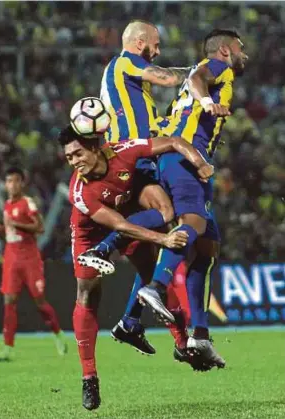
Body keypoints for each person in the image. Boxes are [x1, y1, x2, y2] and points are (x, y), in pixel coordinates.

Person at [57, 123, 213, 410]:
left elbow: (174, 141)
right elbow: (119, 226)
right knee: (88, 295)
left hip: (127, 217)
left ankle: (181, 344)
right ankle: (89, 376)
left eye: (78, 153)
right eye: (69, 158)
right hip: (90, 232)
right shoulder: (80, 191)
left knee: (150, 275)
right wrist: (163, 238)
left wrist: (200, 163)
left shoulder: (124, 151)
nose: (74, 162)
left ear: (95, 146)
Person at [137, 29, 248, 368]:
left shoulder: (210, 73)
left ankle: (199, 333)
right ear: (226, 50)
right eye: (241, 49)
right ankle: (157, 286)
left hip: (190, 158)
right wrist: (206, 102)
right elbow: (200, 78)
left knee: (206, 247)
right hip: (185, 157)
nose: (245, 55)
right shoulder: (217, 66)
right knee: (194, 224)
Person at [99, 19, 195, 350]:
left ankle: (130, 321)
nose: (158, 51)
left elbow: (156, 122)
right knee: (169, 215)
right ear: (140, 43)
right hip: (130, 158)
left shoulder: (134, 90)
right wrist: (196, 71)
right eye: (155, 45)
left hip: (130, 158)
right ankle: (107, 242)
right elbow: (168, 77)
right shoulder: (126, 61)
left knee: (151, 260)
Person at [0, 167, 67, 361]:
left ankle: (58, 335)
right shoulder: (7, 206)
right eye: (9, 181)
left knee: (39, 301)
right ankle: (7, 348)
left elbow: (39, 227)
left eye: (16, 181)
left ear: (22, 183)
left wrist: (15, 224)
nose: (12, 185)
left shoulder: (27, 203)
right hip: (11, 255)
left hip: (29, 256)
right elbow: (10, 232)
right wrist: (2, 229)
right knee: (9, 301)